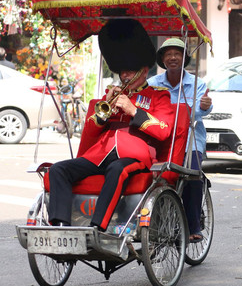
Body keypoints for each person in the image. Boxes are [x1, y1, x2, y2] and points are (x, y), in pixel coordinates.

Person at [47, 19, 175, 231]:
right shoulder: (113, 96)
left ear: (143, 70)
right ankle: (61, 226)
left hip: (135, 155)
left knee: (117, 169)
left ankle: (98, 227)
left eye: (129, 70)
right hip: (101, 153)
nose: (124, 75)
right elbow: (89, 131)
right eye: (121, 70)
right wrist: (104, 111)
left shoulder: (159, 96)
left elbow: (163, 130)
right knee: (59, 169)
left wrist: (133, 111)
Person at [148, 38, 213, 242]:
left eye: (177, 54)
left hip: (190, 140)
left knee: (192, 174)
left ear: (184, 58)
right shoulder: (153, 84)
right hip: (161, 138)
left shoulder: (197, 84)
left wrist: (203, 107)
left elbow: (198, 113)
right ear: (163, 59)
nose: (173, 57)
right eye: (169, 54)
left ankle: (193, 225)